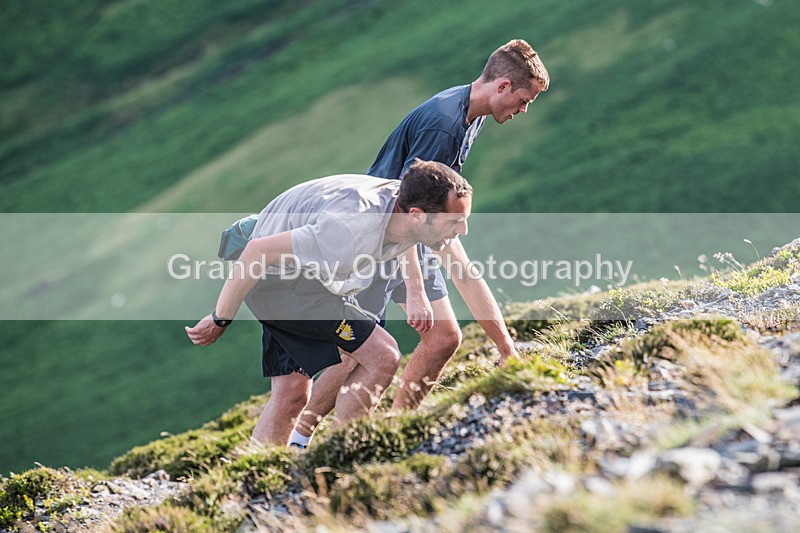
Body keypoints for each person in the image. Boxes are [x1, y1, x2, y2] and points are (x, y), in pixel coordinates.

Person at [291, 39, 550, 448]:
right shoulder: (443, 127)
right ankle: (312, 440)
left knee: (437, 336)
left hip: (410, 229)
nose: (522, 110)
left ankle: (391, 429)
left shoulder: (469, 114)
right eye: (523, 100)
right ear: (502, 86)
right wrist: (415, 290)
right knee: (364, 351)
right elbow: (410, 206)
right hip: (380, 236)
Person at [185, 160, 473, 446]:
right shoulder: (350, 227)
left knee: (291, 392)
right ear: (417, 215)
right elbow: (258, 251)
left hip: (308, 274)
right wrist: (220, 318)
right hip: (281, 281)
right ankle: (343, 454)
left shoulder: (406, 200)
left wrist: (415, 289)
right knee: (382, 356)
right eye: (455, 222)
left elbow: (407, 240)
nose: (463, 231)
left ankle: (254, 477)